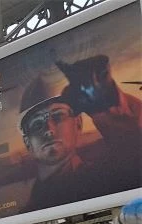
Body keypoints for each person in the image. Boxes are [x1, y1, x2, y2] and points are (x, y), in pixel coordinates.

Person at [18, 57, 142, 214]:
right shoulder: (28, 211)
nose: (49, 130)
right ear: (28, 143)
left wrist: (108, 103)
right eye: (36, 124)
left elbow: (133, 150)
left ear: (78, 124)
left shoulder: (111, 180)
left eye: (58, 116)